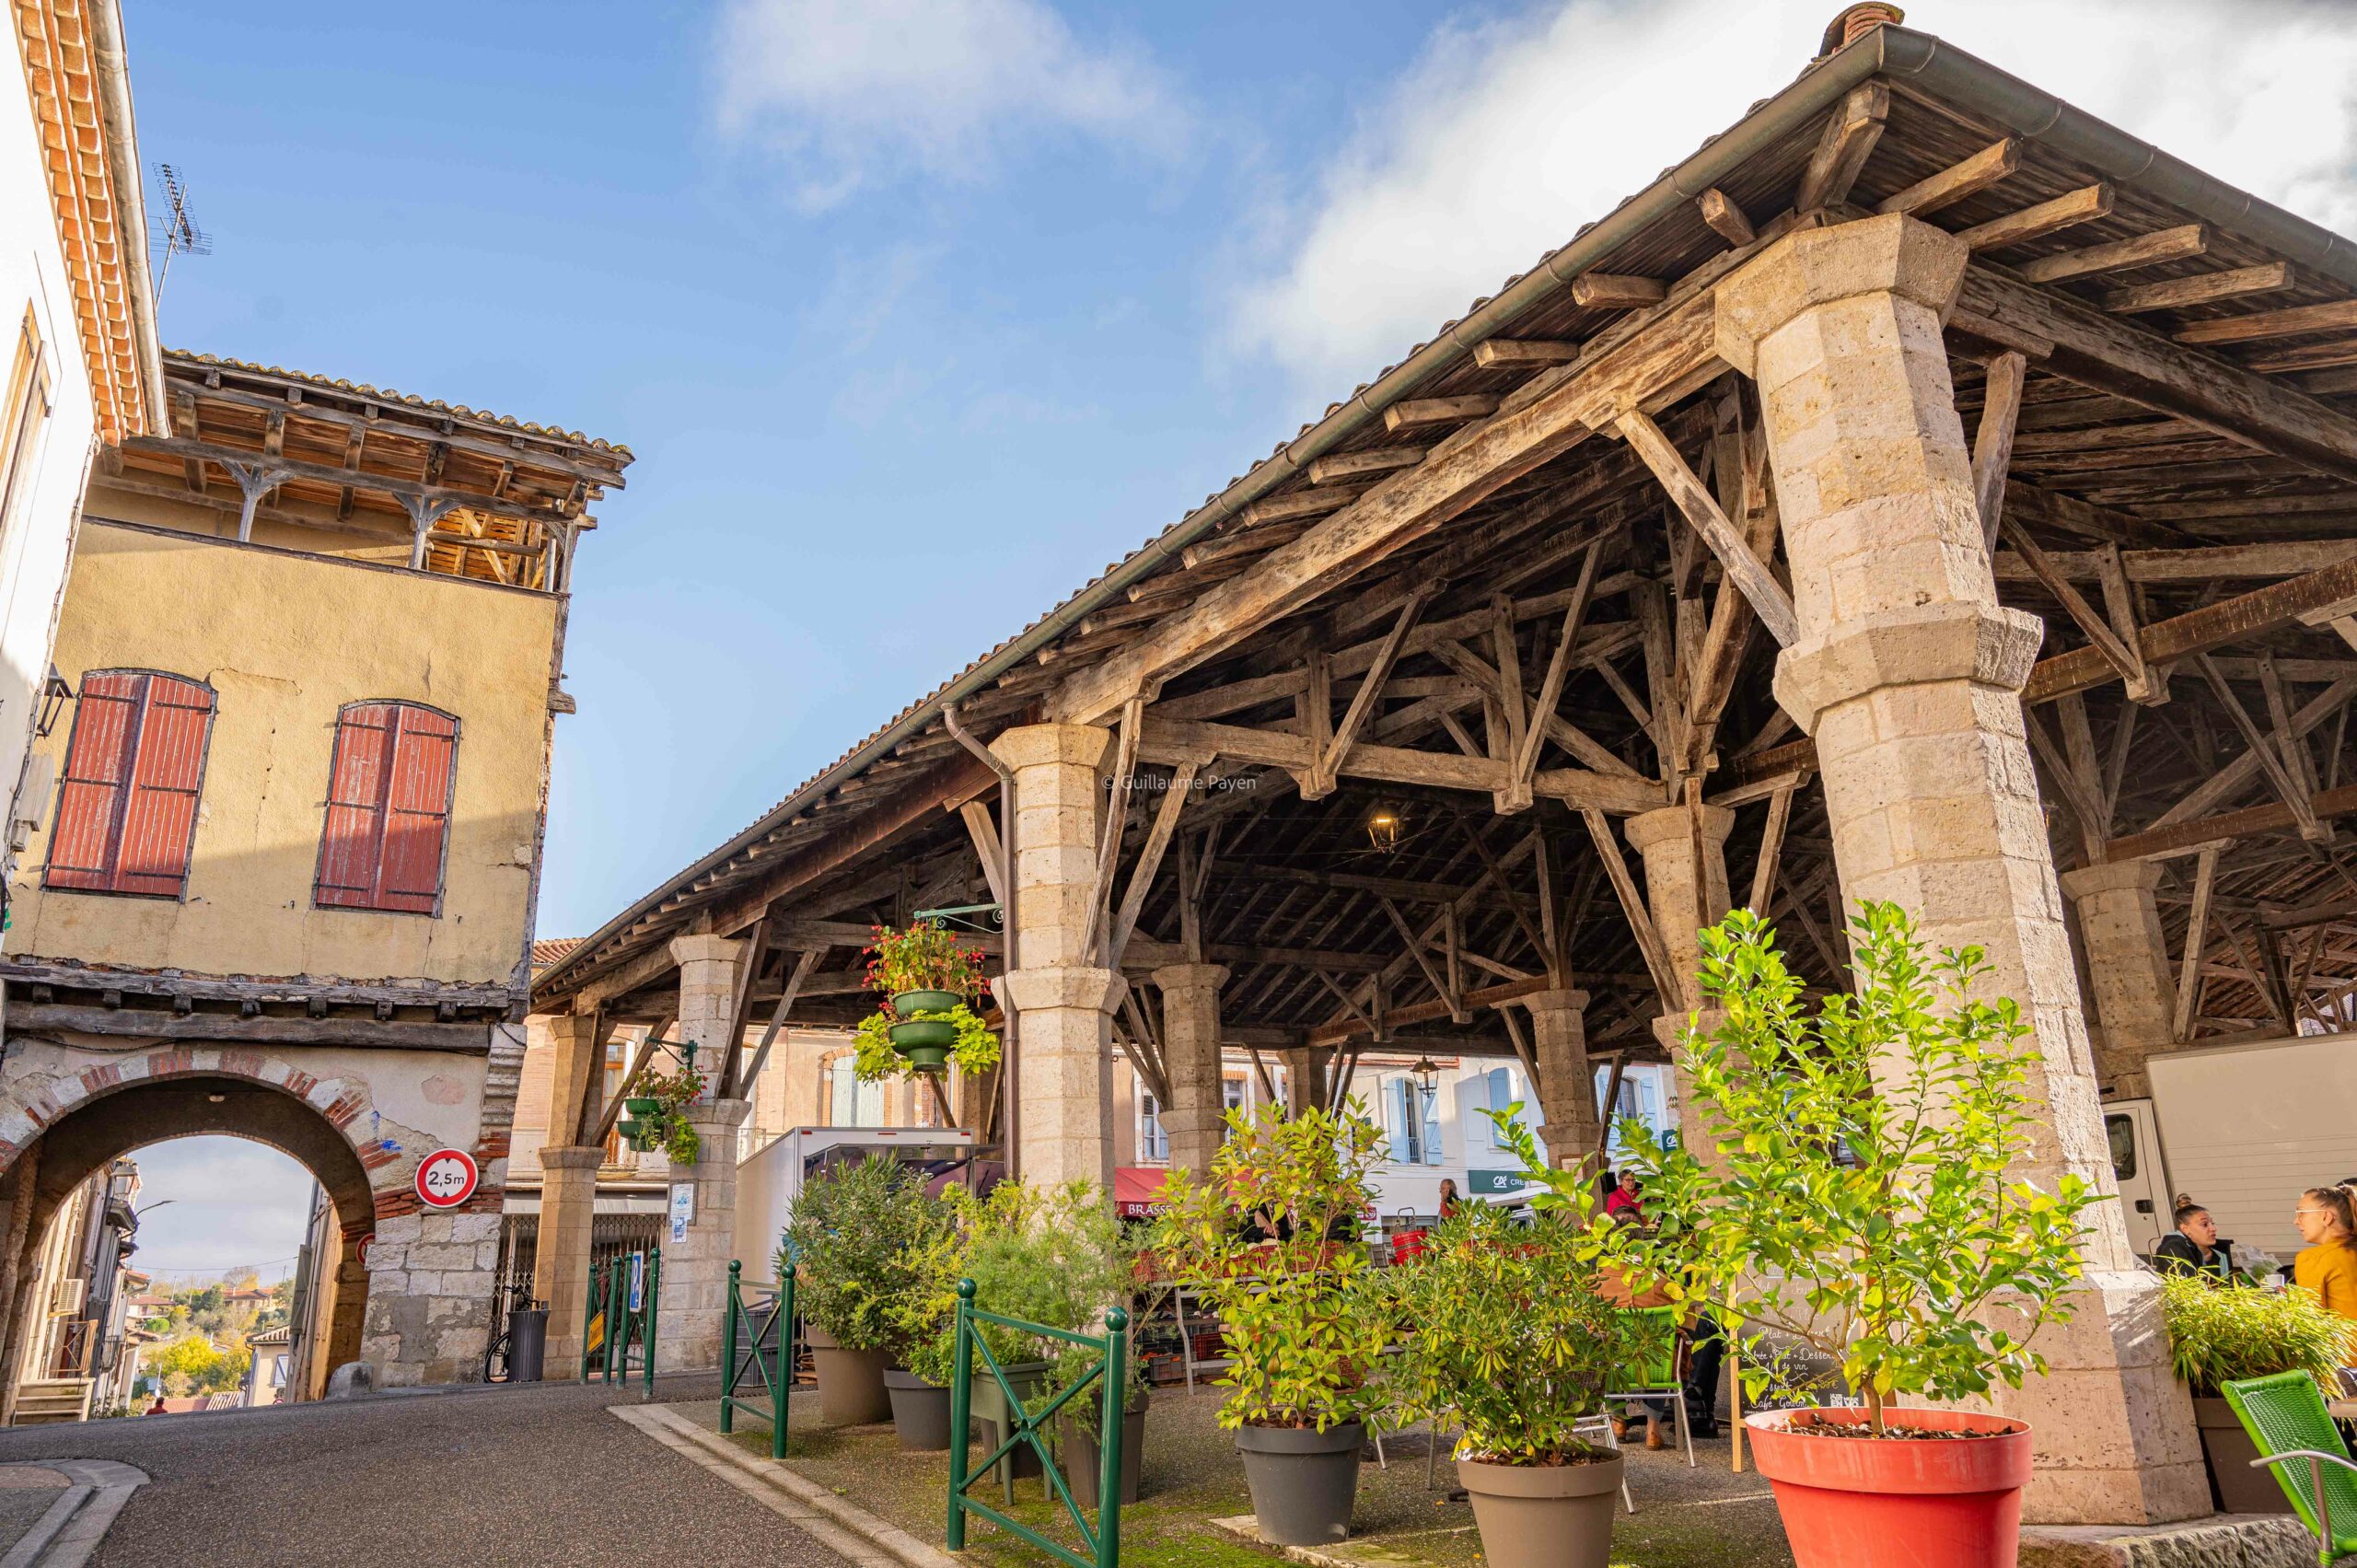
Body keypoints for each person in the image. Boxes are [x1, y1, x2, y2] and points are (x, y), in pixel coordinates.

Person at [2293, 1185, 2357, 1359]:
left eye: (2301, 1213)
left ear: (2326, 1217)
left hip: (2344, 1360)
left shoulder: (2314, 1258)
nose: (2296, 1221)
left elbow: (2310, 1320)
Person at [2154, 1198, 2233, 1284]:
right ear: (2185, 1229)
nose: (2213, 1229)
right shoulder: (2174, 1248)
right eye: (2205, 1224)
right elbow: (2189, 1287)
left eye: (2212, 1223)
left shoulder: (2218, 1252)